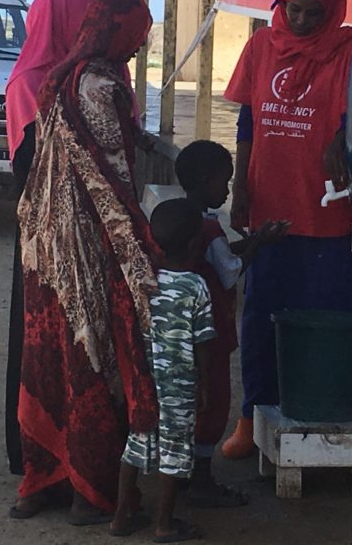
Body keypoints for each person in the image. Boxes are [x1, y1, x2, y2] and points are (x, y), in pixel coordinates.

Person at [13, 0, 160, 524]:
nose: (140, 45)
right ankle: (89, 492)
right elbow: (111, 179)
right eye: (138, 35)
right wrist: (137, 245)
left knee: (46, 355)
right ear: (118, 31)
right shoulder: (102, 87)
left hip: (44, 243)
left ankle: (39, 483)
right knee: (90, 356)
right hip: (85, 244)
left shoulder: (60, 78)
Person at [220, 0, 352, 459]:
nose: (300, 21)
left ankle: (319, 417)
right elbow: (247, 124)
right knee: (260, 315)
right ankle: (251, 416)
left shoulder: (349, 51)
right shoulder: (260, 46)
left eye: (313, 13)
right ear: (280, 3)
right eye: (293, 9)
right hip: (270, 208)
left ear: (331, 11)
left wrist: (343, 135)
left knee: (324, 313)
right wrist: (241, 190)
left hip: (326, 211)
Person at [4, 0, 97, 481]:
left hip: (71, 236)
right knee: (41, 347)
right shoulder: (34, 83)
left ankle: (78, 454)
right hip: (46, 238)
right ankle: (36, 453)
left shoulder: (87, 77)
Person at [172, 140, 287, 504]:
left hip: (181, 329)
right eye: (225, 183)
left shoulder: (181, 219)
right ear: (206, 181)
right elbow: (229, 272)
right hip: (211, 329)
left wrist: (251, 240)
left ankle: (182, 471)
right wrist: (257, 246)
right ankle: (203, 480)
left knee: (188, 399)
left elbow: (215, 258)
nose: (227, 190)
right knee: (214, 400)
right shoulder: (210, 230)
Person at [112, 197, 215, 543]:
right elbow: (202, 342)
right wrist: (205, 384)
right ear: (193, 244)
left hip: (144, 379)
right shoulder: (196, 287)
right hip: (179, 384)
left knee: (136, 443)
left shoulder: (145, 280)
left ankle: (121, 517)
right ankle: (164, 524)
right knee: (174, 450)